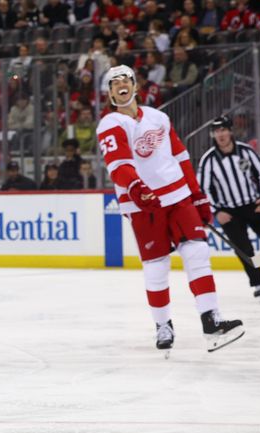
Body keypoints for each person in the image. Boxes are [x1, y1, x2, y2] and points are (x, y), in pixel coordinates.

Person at [96, 65, 243, 355]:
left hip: (178, 195)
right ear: (110, 93)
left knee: (197, 252)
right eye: (114, 83)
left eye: (126, 80)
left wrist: (198, 196)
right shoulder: (110, 124)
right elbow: (119, 166)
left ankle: (211, 321)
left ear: (136, 86)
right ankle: (163, 325)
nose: (121, 85)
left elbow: (181, 156)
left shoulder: (158, 117)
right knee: (156, 266)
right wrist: (137, 188)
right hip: (143, 205)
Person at [198, 115, 260, 303]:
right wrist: (216, 211)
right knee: (245, 251)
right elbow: (203, 190)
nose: (220, 134)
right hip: (229, 213)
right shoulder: (208, 160)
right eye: (216, 131)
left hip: (254, 207)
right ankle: (259, 284)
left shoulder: (246, 151)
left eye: (223, 130)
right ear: (213, 135)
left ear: (230, 131)